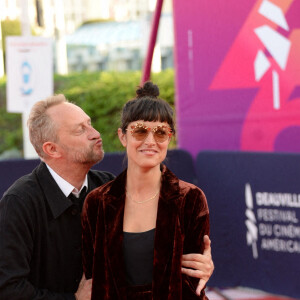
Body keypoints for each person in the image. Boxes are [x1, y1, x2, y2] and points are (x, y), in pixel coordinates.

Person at [0, 94, 213, 300]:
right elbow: (8, 289)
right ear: (52, 149)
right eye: (80, 130)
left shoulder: (107, 187)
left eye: (90, 123)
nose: (95, 133)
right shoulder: (19, 203)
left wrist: (198, 265)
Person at [81, 82, 211, 299]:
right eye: (140, 131)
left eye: (161, 132)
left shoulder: (190, 198)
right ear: (123, 136)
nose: (150, 141)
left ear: (169, 138)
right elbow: (94, 280)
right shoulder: (98, 202)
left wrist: (205, 267)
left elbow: (193, 283)